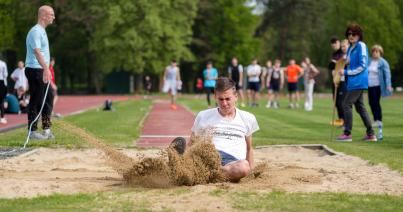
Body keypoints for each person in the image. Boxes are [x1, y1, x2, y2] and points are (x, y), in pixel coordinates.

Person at [172, 77, 259, 182]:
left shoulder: (247, 118)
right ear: (215, 97)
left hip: (232, 162)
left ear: (236, 97)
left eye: (228, 99)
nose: (224, 103)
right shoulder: (203, 116)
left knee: (244, 167)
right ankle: (180, 164)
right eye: (220, 99)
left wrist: (251, 172)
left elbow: (249, 148)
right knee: (193, 158)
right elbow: (192, 143)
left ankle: (204, 174)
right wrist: (186, 155)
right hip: (207, 157)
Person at [336, 23, 376, 142]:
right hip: (352, 82)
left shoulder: (361, 45)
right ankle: (371, 134)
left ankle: (347, 133)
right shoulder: (350, 48)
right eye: (349, 34)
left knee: (346, 104)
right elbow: (349, 61)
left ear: (359, 35)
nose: (351, 36)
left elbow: (363, 65)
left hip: (358, 81)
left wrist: (346, 72)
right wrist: (343, 62)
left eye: (353, 34)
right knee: (360, 108)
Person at [25, 5, 56, 140]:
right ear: (43, 15)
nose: (53, 17)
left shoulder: (42, 31)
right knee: (36, 99)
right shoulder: (36, 31)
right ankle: (32, 132)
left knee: (48, 98)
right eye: (51, 14)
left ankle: (47, 129)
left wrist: (46, 69)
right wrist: (45, 68)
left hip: (41, 69)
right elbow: (37, 51)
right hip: (35, 69)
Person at [367, 44, 392, 140]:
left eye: (377, 51)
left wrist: (388, 85)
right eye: (373, 51)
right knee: (370, 103)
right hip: (369, 85)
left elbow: (387, 74)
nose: (375, 53)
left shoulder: (383, 62)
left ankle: (379, 120)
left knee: (376, 103)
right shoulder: (369, 60)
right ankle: (375, 119)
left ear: (380, 53)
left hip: (378, 85)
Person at [329, 37, 345, 126]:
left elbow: (342, 64)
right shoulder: (334, 54)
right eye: (332, 44)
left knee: (341, 102)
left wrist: (336, 63)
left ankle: (344, 120)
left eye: (335, 43)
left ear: (338, 42)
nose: (333, 45)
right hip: (334, 79)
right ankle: (340, 120)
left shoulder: (343, 53)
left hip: (342, 80)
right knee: (336, 101)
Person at [0, 58, 8, 124]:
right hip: (1, 82)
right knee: (1, 100)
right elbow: (5, 74)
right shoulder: (3, 63)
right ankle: (2, 117)